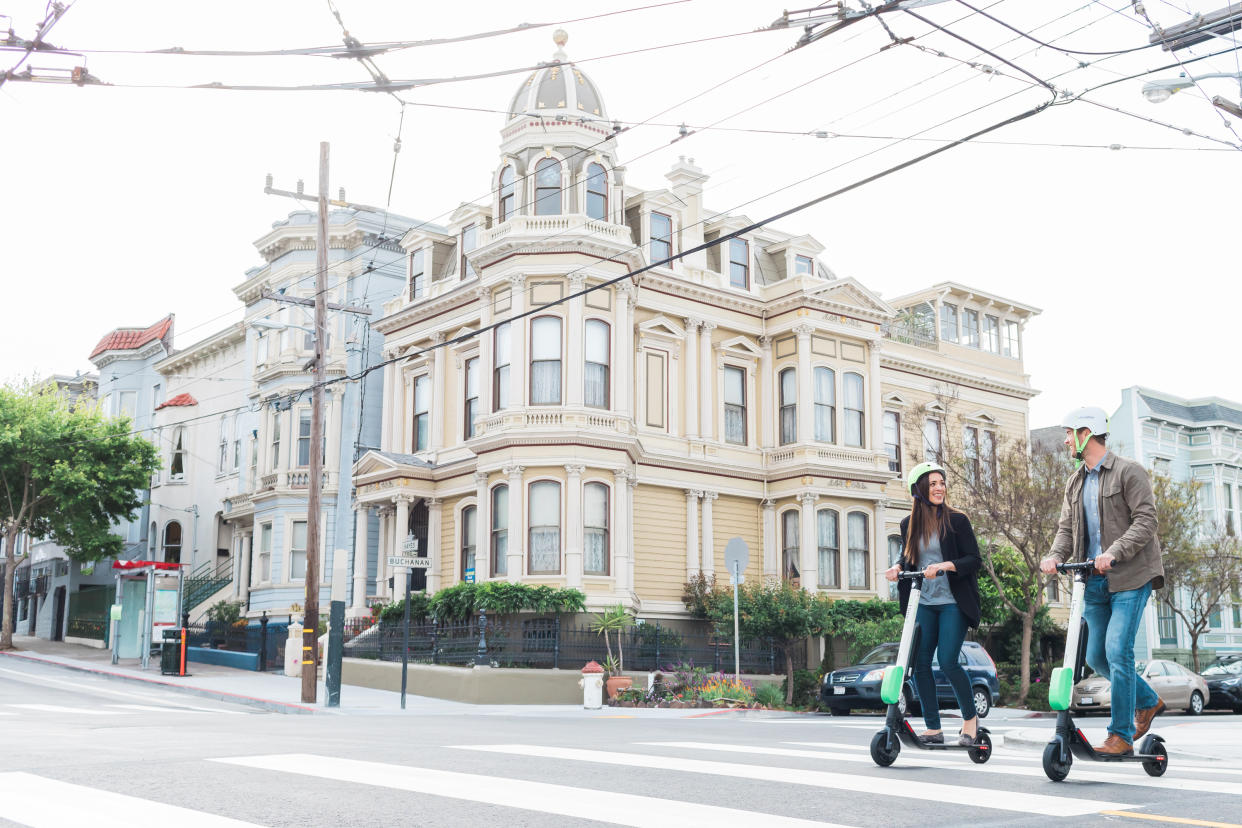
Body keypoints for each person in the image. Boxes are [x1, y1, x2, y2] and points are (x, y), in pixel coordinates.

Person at [1040, 406, 1165, 756]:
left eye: (1069, 433)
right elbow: (1067, 529)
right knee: (1097, 656)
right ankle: (1149, 701)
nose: (1065, 440)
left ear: (1086, 433)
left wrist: (1114, 551)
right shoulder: (1075, 481)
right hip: (1093, 582)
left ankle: (1120, 735)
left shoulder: (1129, 472)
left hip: (1129, 576)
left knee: (1117, 651)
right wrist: (1055, 556)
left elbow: (1146, 521)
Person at [885, 461, 983, 747]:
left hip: (953, 602)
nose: (940, 488)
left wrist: (945, 566)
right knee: (921, 663)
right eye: (933, 484)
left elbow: (973, 560)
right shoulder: (909, 525)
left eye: (942, 483)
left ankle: (970, 720)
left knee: (950, 661)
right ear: (919, 490)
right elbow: (909, 558)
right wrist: (896, 567)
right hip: (925, 602)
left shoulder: (957, 521)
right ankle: (933, 727)